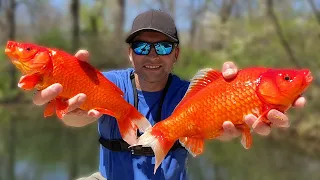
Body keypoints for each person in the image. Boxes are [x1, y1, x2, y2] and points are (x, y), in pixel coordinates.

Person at [32, 10, 306, 180]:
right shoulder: (105, 82)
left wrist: (231, 114)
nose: (152, 55)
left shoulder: (191, 93)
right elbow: (76, 118)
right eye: (141, 47)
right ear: (129, 53)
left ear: (176, 54)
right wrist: (70, 111)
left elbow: (216, 130)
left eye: (163, 48)